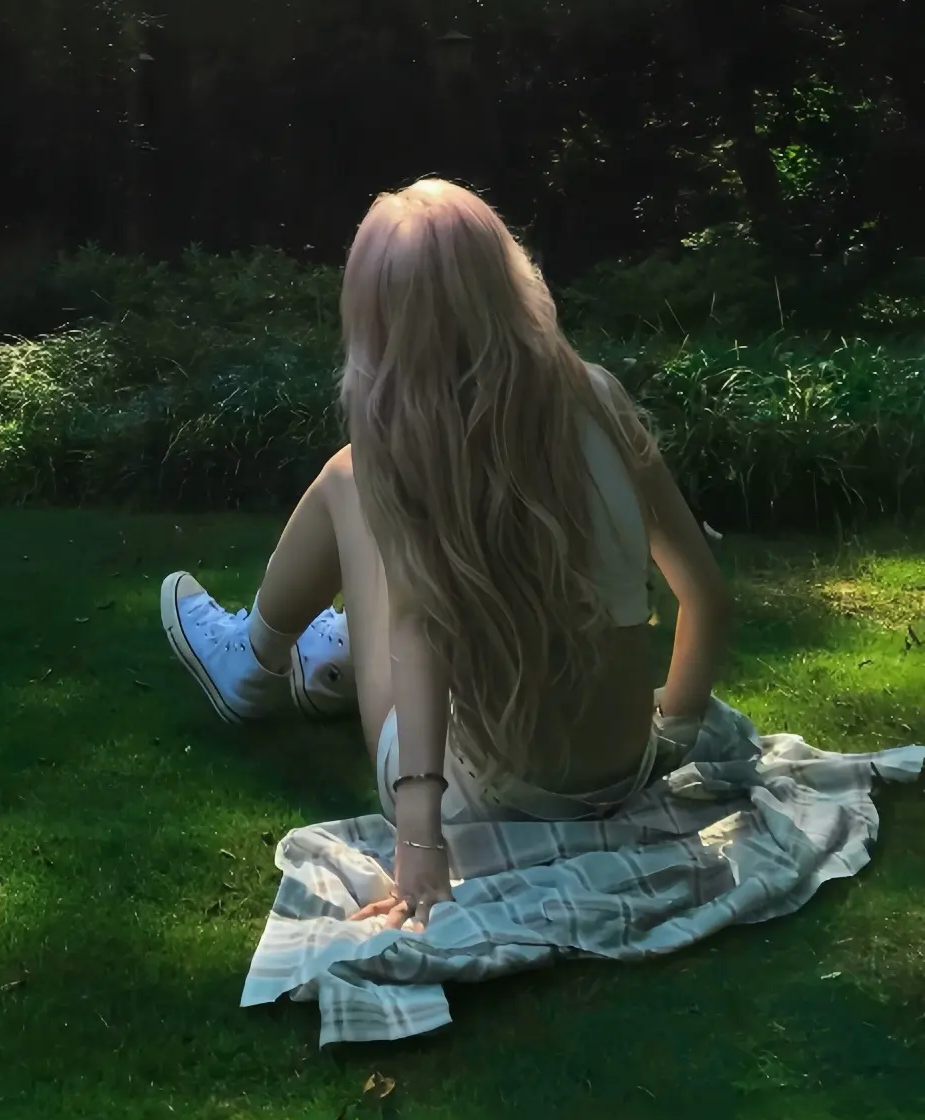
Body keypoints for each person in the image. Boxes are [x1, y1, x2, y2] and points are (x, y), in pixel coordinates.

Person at [161, 178, 730, 930]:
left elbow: (421, 635)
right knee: (391, 518)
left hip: (483, 796)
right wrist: (676, 730)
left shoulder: (397, 440)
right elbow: (707, 594)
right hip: (625, 770)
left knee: (346, 479)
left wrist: (419, 842)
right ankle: (328, 650)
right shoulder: (597, 395)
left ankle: (252, 660)